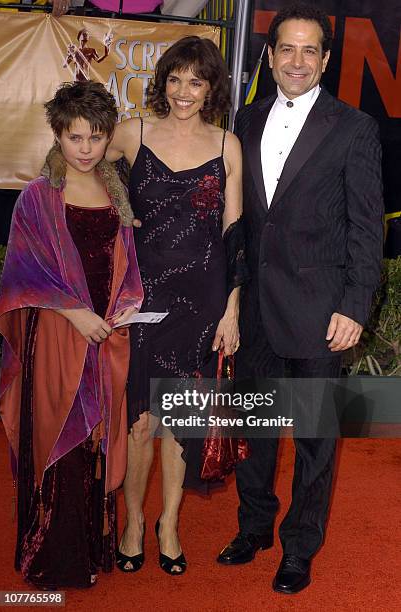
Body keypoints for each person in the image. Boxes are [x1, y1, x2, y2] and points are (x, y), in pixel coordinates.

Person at [217, 3, 384, 594]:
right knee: (256, 430)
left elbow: (368, 230)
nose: (296, 60)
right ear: (269, 54)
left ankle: (299, 547)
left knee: (315, 440)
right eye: (286, 48)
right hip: (258, 308)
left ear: (326, 59)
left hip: (320, 311)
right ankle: (254, 526)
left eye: (309, 50)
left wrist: (354, 306)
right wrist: (231, 297)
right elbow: (238, 220)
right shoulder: (247, 117)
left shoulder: (354, 128)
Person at [106, 35, 246, 575]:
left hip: (205, 298)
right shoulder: (133, 133)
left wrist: (232, 311)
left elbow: (234, 234)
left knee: (179, 417)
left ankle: (167, 523)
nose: (184, 92)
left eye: (196, 81)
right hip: (146, 297)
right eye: (175, 79)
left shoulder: (225, 144)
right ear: (162, 82)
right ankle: (133, 522)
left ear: (211, 88)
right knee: (142, 419)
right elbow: (75, 160)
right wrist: (115, 213)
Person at [0, 81, 143, 589]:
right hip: (56, 339)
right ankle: (51, 557)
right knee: (60, 439)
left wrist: (124, 308)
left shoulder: (115, 192)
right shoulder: (38, 197)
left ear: (109, 138)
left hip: (102, 338)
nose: (85, 149)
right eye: (75, 137)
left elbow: (125, 268)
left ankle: (87, 550)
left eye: (96, 138)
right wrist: (76, 312)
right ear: (57, 134)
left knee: (95, 444)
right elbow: (20, 273)